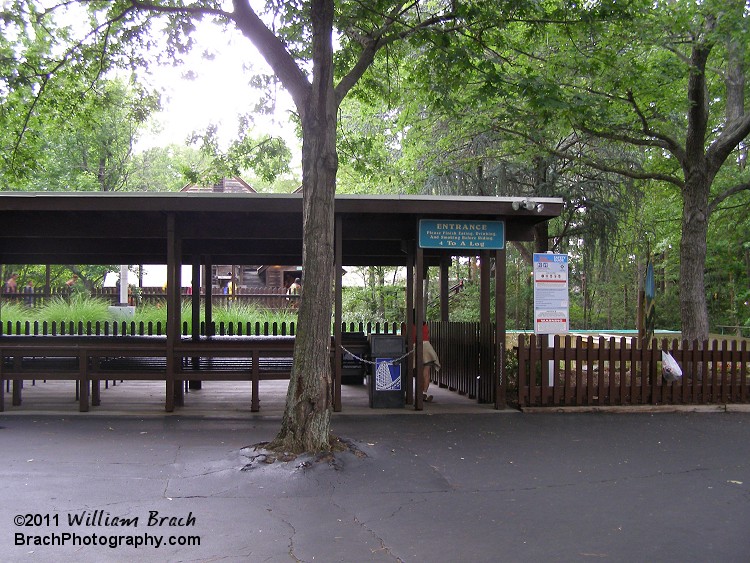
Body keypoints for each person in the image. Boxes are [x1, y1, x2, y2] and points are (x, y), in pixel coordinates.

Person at [413, 321, 441, 402]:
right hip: (428, 349)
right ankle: (424, 392)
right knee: (426, 373)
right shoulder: (425, 325)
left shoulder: (408, 325)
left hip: (415, 349)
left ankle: (418, 393)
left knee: (416, 372)